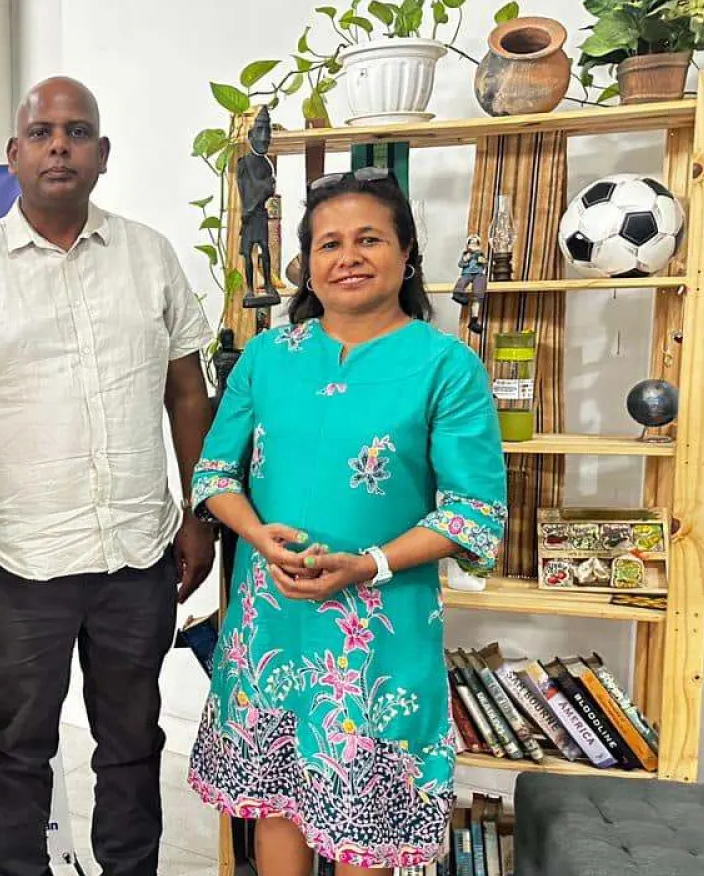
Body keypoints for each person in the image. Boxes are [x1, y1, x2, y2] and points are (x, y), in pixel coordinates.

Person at [0, 76, 217, 876]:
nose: (59, 146)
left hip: (136, 554)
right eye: (42, 133)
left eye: (77, 132)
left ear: (102, 154)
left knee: (131, 745)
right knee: (18, 750)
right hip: (22, 562)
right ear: (13, 154)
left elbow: (188, 391)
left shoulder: (149, 256)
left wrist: (199, 513)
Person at [185, 167, 508, 876]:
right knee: (276, 803)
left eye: (369, 239)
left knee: (364, 817)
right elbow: (214, 475)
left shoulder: (445, 367)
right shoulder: (269, 356)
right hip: (268, 617)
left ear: (406, 253)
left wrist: (370, 564)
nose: (349, 256)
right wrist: (253, 533)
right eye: (329, 243)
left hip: (379, 628)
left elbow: (474, 513)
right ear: (308, 263)